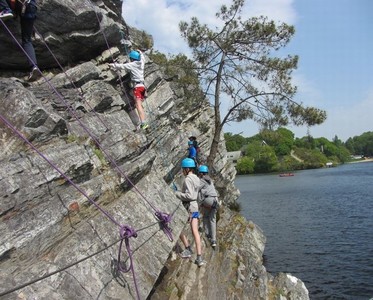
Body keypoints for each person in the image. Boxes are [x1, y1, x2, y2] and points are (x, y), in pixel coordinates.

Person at [175, 158, 205, 267]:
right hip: (195, 206)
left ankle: (187, 248)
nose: (183, 171)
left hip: (189, 207)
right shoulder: (197, 178)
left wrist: (177, 193)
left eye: (183, 169)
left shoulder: (187, 179)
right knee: (195, 231)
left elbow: (189, 195)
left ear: (187, 169)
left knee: (178, 228)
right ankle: (199, 257)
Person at [0, 0, 40, 82]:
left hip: (18, 5)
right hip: (30, 8)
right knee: (27, 40)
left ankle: (5, 9)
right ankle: (34, 67)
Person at [109, 50, 148, 130]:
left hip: (138, 87)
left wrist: (111, 65)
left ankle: (143, 123)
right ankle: (144, 121)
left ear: (132, 59)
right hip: (142, 86)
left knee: (138, 104)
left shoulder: (133, 64)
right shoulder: (141, 62)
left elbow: (121, 66)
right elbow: (142, 57)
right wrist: (140, 52)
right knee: (139, 103)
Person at [198, 165, 219, 248]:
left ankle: (207, 234)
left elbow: (196, 188)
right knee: (212, 220)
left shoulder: (202, 180)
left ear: (201, 173)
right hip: (215, 201)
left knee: (206, 216)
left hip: (208, 200)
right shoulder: (210, 180)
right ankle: (214, 240)